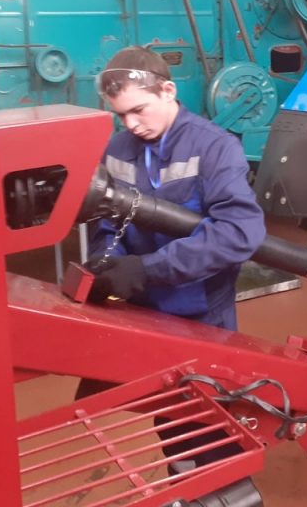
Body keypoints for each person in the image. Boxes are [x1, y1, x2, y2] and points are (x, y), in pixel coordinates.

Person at [84, 45, 266, 331]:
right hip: (135, 307)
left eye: (138, 110)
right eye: (121, 115)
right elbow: (106, 222)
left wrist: (147, 270)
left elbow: (238, 232)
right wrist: (107, 262)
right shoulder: (116, 149)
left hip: (202, 314)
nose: (131, 124)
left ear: (167, 91)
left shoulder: (214, 147)